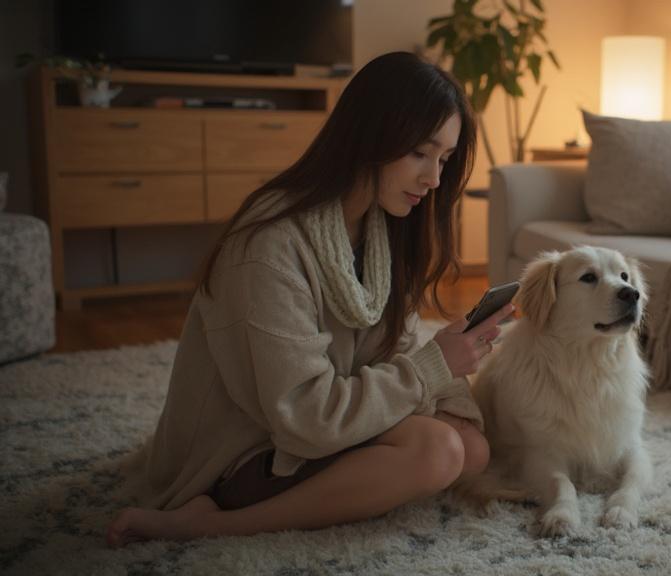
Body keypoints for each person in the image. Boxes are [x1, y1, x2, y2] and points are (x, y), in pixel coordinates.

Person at [106, 52, 514, 547]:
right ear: (372, 135)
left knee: (470, 449)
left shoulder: (379, 230)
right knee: (438, 452)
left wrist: (445, 377)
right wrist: (433, 368)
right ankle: (213, 523)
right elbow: (306, 419)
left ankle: (359, 477)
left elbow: (399, 349)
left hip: (321, 425)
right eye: (420, 154)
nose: (433, 178)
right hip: (249, 448)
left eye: (444, 159)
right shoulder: (271, 243)